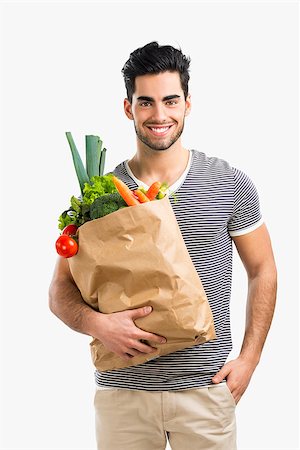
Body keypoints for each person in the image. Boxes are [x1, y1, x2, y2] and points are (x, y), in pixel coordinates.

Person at [49, 41, 277, 450]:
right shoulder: (98, 195)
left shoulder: (230, 184)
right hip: (123, 393)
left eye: (171, 101)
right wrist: (97, 324)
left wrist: (250, 359)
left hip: (205, 391)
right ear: (128, 108)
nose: (159, 115)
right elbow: (59, 291)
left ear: (188, 104)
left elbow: (263, 270)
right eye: (146, 102)